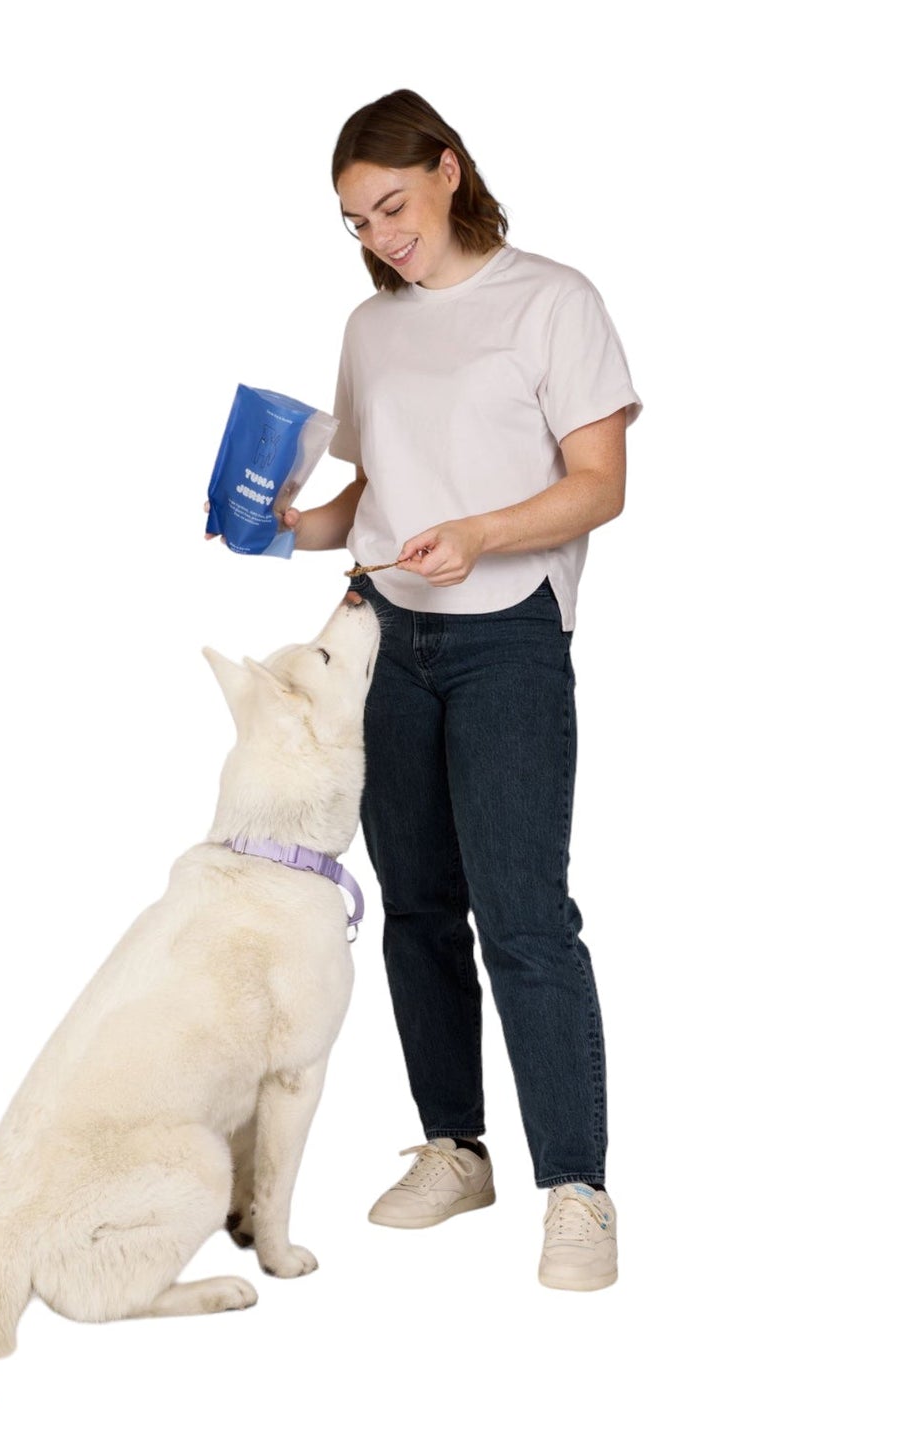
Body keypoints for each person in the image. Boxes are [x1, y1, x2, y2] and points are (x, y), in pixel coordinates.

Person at [282, 90, 641, 1291]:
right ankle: (453, 1146)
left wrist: (482, 532)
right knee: (416, 906)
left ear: (447, 170)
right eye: (354, 219)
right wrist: (284, 526)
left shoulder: (551, 300)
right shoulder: (370, 327)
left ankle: (575, 1188)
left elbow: (598, 484)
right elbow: (367, 498)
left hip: (506, 641)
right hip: (389, 638)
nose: (380, 234)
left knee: (525, 918)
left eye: (391, 203)